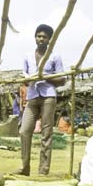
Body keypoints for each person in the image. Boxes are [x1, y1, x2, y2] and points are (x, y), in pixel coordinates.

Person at [19, 24, 65, 176]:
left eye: (44, 37)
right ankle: (25, 167)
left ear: (49, 39)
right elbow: (24, 78)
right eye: (39, 36)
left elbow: (62, 79)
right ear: (35, 37)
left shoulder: (55, 56)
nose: (41, 39)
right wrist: (27, 79)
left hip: (48, 96)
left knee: (46, 133)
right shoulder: (27, 56)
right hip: (32, 96)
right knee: (24, 131)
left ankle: (43, 170)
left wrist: (46, 78)